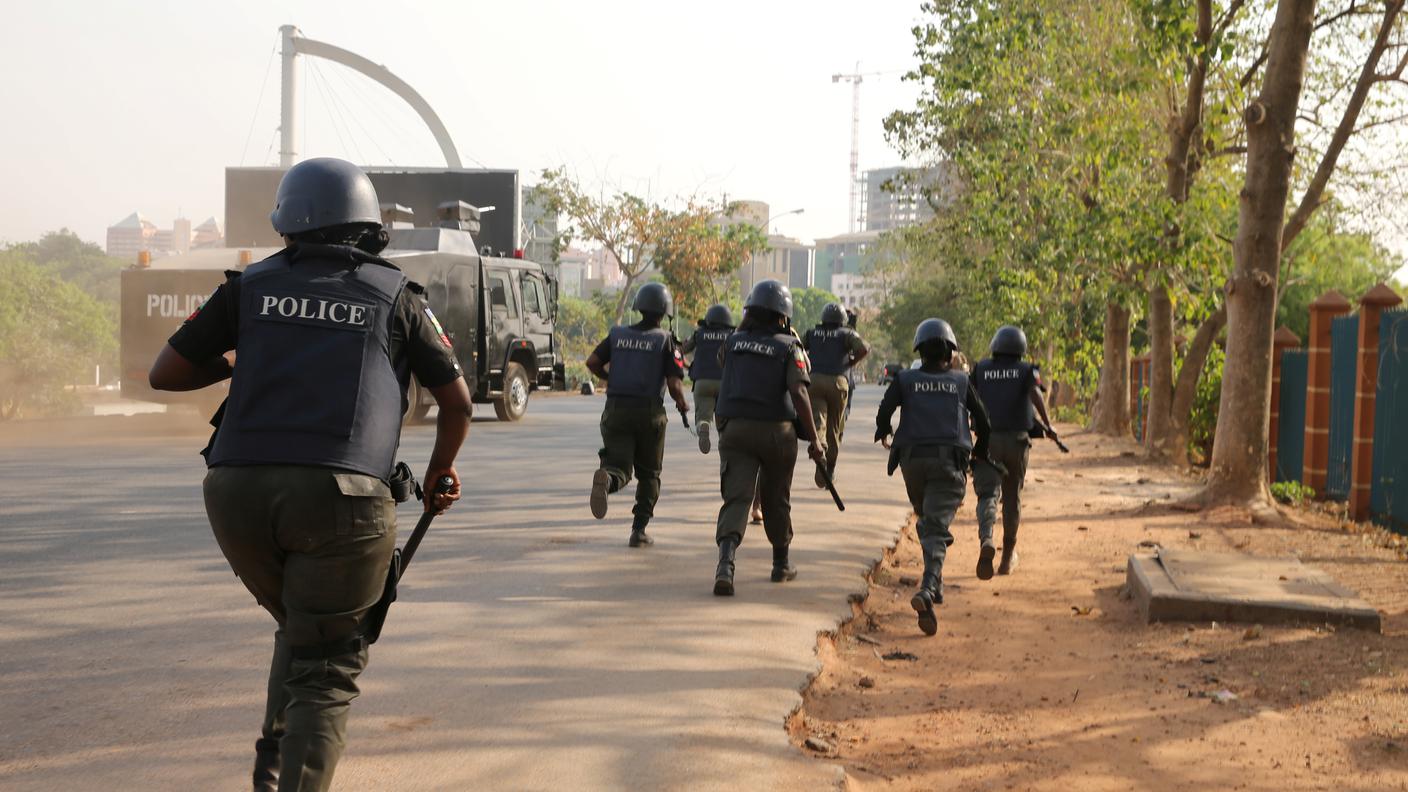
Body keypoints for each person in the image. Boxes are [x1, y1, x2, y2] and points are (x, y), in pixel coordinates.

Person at [148, 157, 473, 792]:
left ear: (287, 224)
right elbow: (458, 401)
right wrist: (440, 473)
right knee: (328, 661)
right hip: (343, 497)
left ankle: (272, 768)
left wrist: (244, 360)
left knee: (303, 625)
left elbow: (167, 372)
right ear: (368, 226)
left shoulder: (248, 287)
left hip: (234, 492)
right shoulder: (395, 295)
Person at [875, 318, 991, 637]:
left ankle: (934, 586)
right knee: (936, 526)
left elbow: (884, 413)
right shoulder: (961, 381)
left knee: (927, 520)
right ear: (950, 353)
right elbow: (984, 421)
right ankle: (927, 588)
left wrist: (883, 431)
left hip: (912, 463)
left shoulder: (905, 378)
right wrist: (980, 450)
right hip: (948, 463)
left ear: (919, 350)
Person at [712, 279, 824, 596]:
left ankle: (725, 566)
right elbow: (800, 391)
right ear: (784, 316)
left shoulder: (733, 342)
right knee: (776, 498)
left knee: (736, 498)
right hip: (777, 432)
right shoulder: (789, 347)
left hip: (735, 431)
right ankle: (780, 564)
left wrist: (744, 325)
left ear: (750, 311)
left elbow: (723, 361)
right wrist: (815, 440)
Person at [585, 283, 689, 547]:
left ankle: (607, 479)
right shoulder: (666, 340)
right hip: (648, 414)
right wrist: (683, 405)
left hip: (616, 410)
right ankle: (638, 530)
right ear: (664, 312)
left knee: (619, 466)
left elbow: (592, 363)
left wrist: (612, 378)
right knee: (649, 474)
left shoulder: (617, 335)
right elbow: (675, 385)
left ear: (639, 307)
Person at [970, 325, 1058, 576]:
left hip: (988, 442)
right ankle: (1007, 557)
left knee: (987, 495)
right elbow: (1035, 396)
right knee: (1011, 498)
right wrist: (1049, 426)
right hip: (1017, 443)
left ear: (995, 345)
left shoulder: (982, 369)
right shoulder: (1026, 370)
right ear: (1021, 348)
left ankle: (986, 538)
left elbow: (968, 398)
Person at [803, 302, 869, 488]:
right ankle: (829, 471)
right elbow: (864, 348)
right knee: (835, 429)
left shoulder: (811, 333)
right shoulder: (847, 334)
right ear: (843, 320)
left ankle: (820, 448)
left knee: (819, 421)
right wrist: (851, 363)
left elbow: (797, 347)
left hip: (814, 381)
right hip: (838, 383)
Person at [680, 303, 734, 454]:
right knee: (725, 419)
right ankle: (725, 439)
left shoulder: (699, 334)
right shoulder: (733, 335)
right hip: (725, 382)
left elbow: (680, 351)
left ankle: (703, 425)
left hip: (703, 381)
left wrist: (688, 366)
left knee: (703, 416)